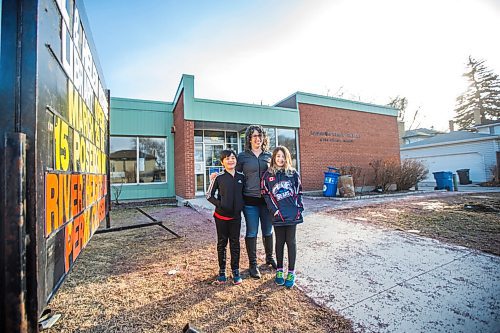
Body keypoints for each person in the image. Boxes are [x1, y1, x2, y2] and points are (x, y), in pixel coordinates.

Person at [237, 125, 277, 279]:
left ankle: (269, 257)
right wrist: (218, 176)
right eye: (254, 136)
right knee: (252, 232)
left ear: (263, 138)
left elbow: (277, 173)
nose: (257, 138)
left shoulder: (268, 156)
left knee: (268, 231)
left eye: (259, 136)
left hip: (267, 202)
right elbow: (235, 174)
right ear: (249, 138)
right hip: (250, 202)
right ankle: (253, 265)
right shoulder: (242, 157)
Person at [261, 146, 303, 289]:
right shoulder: (268, 175)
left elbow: (299, 192)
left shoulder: (293, 174)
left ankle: (291, 272)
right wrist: (274, 210)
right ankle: (279, 270)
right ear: (274, 158)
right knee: (279, 242)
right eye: (278, 156)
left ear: (287, 158)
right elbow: (266, 194)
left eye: (283, 156)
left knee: (291, 242)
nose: (280, 159)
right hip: (278, 214)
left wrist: (299, 208)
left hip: (291, 214)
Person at [206, 149, 245, 285]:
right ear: (223, 162)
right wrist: (220, 205)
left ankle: (236, 271)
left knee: (235, 244)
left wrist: (241, 206)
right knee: (222, 243)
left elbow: (244, 194)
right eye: (227, 158)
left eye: (233, 158)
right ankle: (222, 271)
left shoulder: (241, 177)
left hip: (236, 218)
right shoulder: (218, 177)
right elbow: (208, 195)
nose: (230, 160)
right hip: (221, 217)